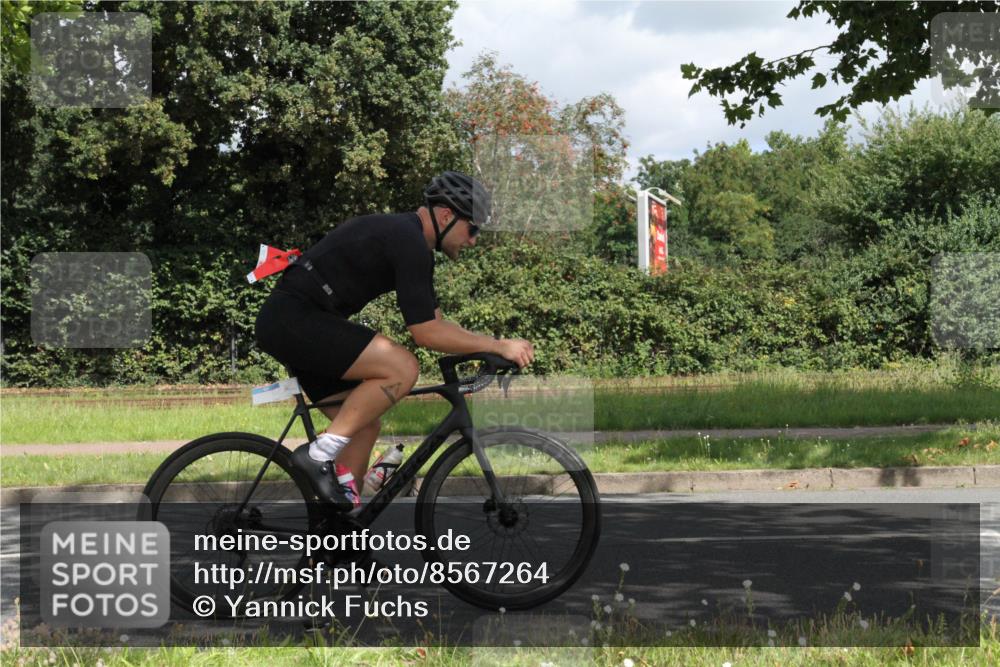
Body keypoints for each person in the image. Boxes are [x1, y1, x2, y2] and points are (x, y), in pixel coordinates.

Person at [254, 171, 534, 511]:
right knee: (401, 366)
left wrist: (486, 347)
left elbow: (438, 325)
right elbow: (425, 333)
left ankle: (339, 546)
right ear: (447, 216)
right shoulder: (408, 241)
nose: (473, 240)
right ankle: (317, 455)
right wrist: (497, 345)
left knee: (363, 425)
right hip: (295, 318)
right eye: (473, 228)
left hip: (297, 321)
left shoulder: (413, 243)